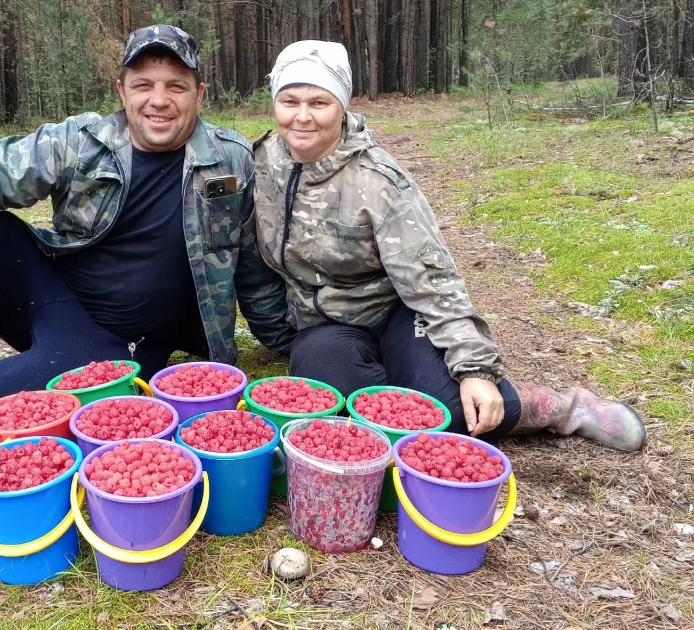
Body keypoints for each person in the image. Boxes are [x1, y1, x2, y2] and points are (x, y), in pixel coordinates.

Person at [0, 25, 294, 467]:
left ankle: (22, 375)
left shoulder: (230, 159)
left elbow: (250, 263)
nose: (159, 100)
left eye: (176, 86)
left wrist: (289, 341)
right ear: (121, 91)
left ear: (199, 95)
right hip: (55, 299)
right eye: (143, 85)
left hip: (133, 341)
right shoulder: (79, 143)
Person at [251, 40, 645, 451]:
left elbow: (433, 280)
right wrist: (276, 333)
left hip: (399, 311)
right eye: (289, 101)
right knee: (329, 405)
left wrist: (475, 369)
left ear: (342, 106)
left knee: (447, 413)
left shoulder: (379, 182)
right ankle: (401, 380)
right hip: (327, 324)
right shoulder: (260, 163)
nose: (302, 116)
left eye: (319, 102)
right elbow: (250, 261)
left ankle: (562, 408)